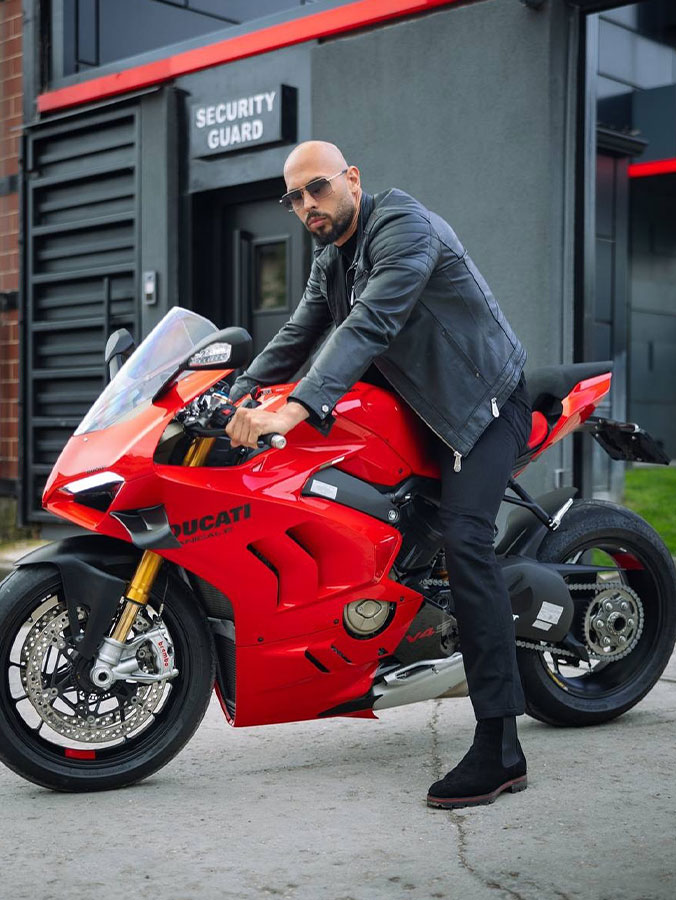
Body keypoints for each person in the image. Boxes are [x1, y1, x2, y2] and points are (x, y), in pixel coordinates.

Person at [226, 140, 532, 809]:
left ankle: (500, 747)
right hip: (420, 412)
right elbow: (303, 329)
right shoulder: (332, 254)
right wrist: (238, 392)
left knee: (466, 543)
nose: (309, 205)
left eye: (319, 189)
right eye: (296, 197)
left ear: (352, 180)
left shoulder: (404, 229)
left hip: (479, 406)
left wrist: (298, 407)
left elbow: (369, 325)